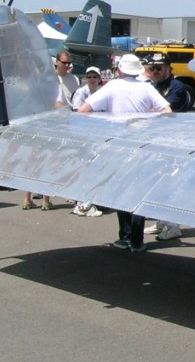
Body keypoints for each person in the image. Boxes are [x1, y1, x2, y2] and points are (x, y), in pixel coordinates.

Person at [78, 53, 171, 252]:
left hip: (118, 147)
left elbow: (83, 110)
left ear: (119, 70)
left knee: (120, 192)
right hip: (143, 147)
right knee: (138, 194)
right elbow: (167, 112)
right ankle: (137, 241)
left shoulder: (112, 86)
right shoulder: (146, 87)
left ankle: (125, 236)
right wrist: (147, 116)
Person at [140, 52, 192, 242]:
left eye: (159, 68)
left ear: (169, 69)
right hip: (157, 141)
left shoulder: (176, 87)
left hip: (174, 142)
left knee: (171, 185)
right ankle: (162, 220)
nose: (155, 72)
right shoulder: (153, 86)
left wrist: (148, 111)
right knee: (157, 185)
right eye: (152, 68)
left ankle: (173, 225)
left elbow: (166, 113)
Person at [22, 51, 77, 210]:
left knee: (56, 160)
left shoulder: (73, 79)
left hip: (66, 123)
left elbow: (74, 98)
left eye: (69, 63)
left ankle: (47, 199)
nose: (67, 66)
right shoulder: (48, 79)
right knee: (37, 160)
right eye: (64, 63)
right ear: (57, 62)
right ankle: (28, 198)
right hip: (47, 122)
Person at [70, 66, 105, 217]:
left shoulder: (101, 93)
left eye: (95, 76)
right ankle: (81, 204)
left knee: (96, 169)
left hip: (98, 135)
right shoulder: (81, 92)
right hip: (84, 135)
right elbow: (77, 112)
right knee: (84, 169)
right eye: (89, 76)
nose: (92, 79)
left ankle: (91, 201)